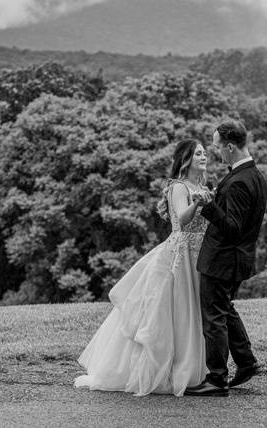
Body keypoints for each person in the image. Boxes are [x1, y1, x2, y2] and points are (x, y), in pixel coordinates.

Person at [74, 139, 212, 396]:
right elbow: (182, 220)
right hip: (179, 256)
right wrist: (199, 203)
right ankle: (167, 370)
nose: (204, 157)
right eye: (198, 153)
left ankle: (192, 368)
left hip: (198, 258)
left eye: (205, 153)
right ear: (186, 159)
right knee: (175, 311)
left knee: (192, 312)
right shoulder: (179, 187)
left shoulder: (201, 186)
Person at [184, 120, 267, 397]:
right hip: (236, 258)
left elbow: (232, 227)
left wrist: (209, 206)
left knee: (214, 318)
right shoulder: (254, 175)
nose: (216, 151)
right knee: (225, 309)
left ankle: (216, 379)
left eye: (218, 146)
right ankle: (246, 362)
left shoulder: (240, 182)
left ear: (230, 146)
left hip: (223, 259)